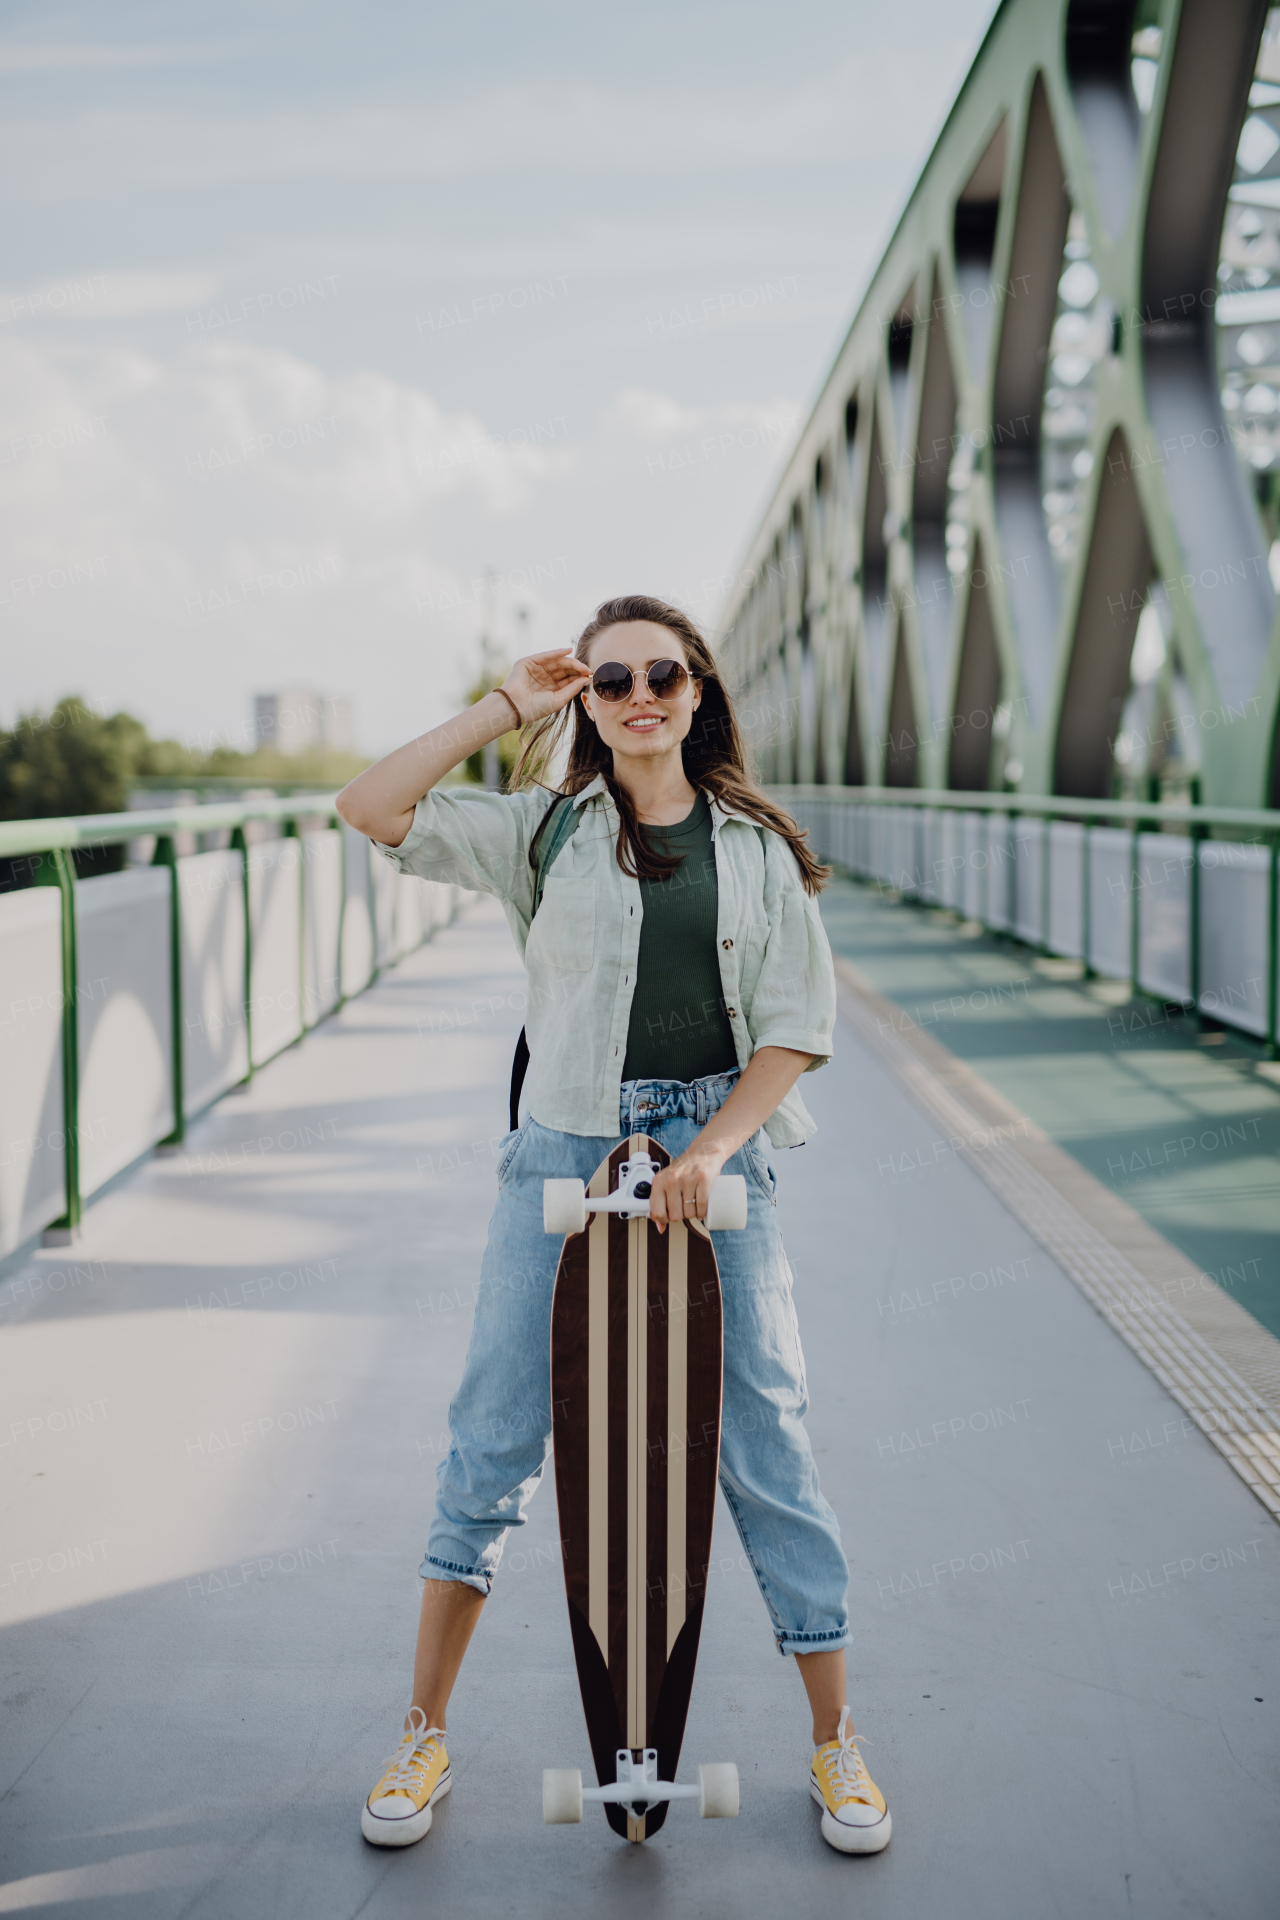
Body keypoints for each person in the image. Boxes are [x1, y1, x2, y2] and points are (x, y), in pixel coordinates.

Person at [336, 594, 890, 1856]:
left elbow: (797, 1027)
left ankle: (836, 1743)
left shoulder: (752, 846)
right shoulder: (541, 832)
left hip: (714, 1161)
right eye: (612, 678)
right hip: (563, 1145)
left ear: (698, 694)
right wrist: (504, 707)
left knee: (767, 1439)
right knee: (490, 1437)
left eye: (664, 674)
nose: (641, 694)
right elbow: (367, 810)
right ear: (586, 699)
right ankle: (422, 1732)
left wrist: (707, 1151)